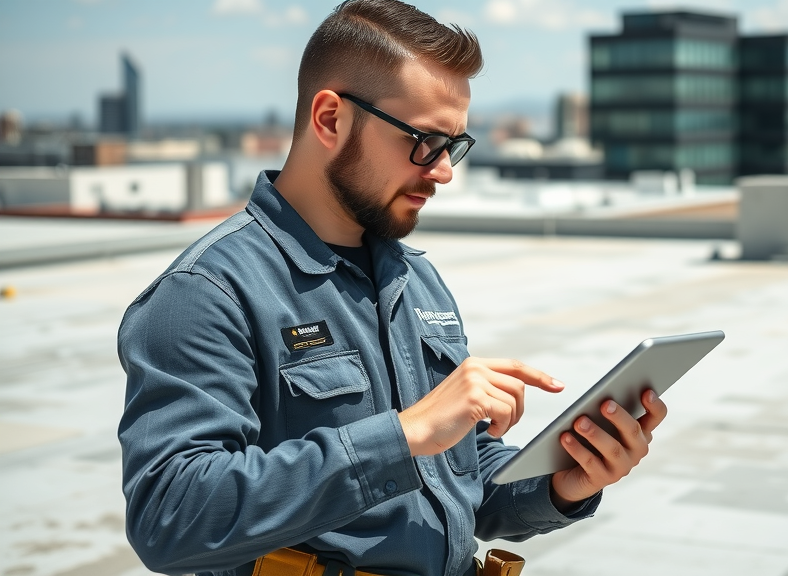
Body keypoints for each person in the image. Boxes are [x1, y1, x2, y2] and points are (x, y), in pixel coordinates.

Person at [116, 2, 667, 575]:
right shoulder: (208, 293)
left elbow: (457, 479)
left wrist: (561, 483)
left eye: (453, 145)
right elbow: (170, 518)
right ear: (330, 119)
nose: (444, 171)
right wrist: (403, 436)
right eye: (424, 140)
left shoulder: (414, 278)